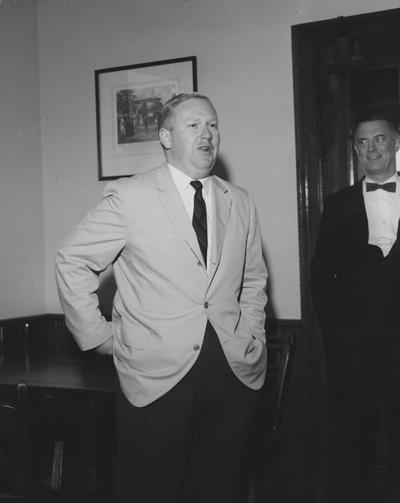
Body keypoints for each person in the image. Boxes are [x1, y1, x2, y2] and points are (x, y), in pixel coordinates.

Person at [55, 92, 268, 503]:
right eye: (194, 125)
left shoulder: (239, 200)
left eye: (212, 124)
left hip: (233, 370)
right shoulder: (131, 196)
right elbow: (71, 259)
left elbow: (254, 278)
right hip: (156, 377)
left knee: (222, 488)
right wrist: (98, 337)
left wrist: (253, 331)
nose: (207, 134)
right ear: (166, 137)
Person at [310, 109, 400, 502]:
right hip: (353, 352)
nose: (371, 148)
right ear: (354, 151)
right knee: (354, 444)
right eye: (362, 142)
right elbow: (320, 276)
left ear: (396, 142)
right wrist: (339, 332)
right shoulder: (337, 204)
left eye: (379, 138)